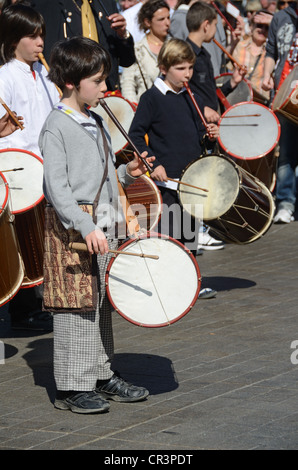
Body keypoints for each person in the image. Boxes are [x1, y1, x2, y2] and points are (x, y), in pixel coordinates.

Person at [39, 36, 153, 413]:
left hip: (103, 223)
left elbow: (100, 176)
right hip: (74, 227)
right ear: (72, 82)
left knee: (101, 302)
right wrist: (84, 225)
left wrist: (125, 171)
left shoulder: (96, 119)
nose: (106, 88)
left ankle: (101, 374)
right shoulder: (57, 125)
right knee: (75, 306)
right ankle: (72, 387)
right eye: (98, 81)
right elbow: (57, 187)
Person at [128, 38, 220, 255]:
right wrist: (154, 165)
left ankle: (191, 286)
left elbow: (199, 137)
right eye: (180, 69)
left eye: (190, 68)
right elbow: (135, 136)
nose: (187, 74)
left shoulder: (192, 97)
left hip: (191, 182)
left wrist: (210, 137)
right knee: (170, 241)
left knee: (189, 242)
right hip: (167, 184)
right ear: (163, 69)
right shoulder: (151, 98)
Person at [0, 3, 60, 331]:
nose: (40, 43)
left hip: (44, 165)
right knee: (25, 236)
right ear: (13, 41)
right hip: (19, 168)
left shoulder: (46, 76)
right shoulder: (5, 77)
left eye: (41, 36)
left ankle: (40, 299)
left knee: (44, 233)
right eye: (32, 36)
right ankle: (22, 310)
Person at [30, 0, 135, 91]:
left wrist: (123, 35)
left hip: (105, 95)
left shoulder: (105, 3)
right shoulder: (47, 4)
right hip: (66, 95)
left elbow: (127, 60)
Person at [262, 0, 298, 223]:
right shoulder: (280, 17)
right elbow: (271, 51)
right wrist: (266, 75)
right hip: (285, 93)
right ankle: (285, 202)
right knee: (285, 152)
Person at [186, 1, 246, 123]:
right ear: (206, 25)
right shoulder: (183, 54)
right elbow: (177, 92)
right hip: (192, 125)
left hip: (208, 127)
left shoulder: (204, 54)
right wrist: (202, 108)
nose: (216, 30)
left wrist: (233, 82)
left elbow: (211, 95)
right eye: (215, 25)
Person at [120, 0, 170, 103]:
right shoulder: (137, 50)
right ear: (147, 22)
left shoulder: (176, 47)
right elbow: (128, 84)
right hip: (147, 110)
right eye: (161, 19)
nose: (167, 23)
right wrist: (134, 109)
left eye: (168, 18)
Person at [229, 10, 273, 103]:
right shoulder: (239, 45)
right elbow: (228, 70)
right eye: (260, 25)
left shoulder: (272, 53)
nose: (263, 30)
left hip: (260, 102)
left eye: (267, 27)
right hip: (237, 99)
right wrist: (232, 45)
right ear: (252, 26)